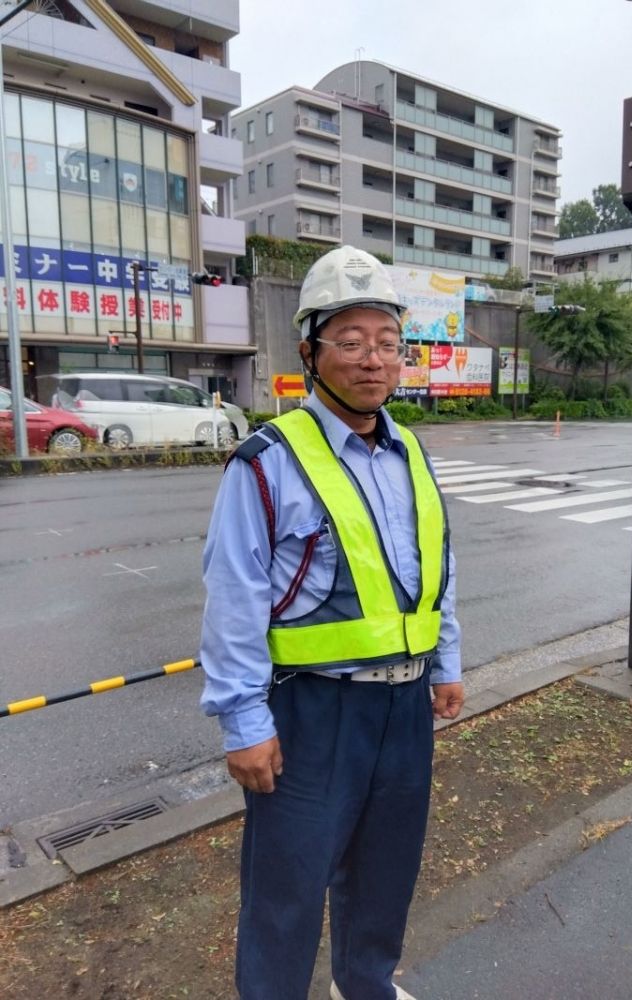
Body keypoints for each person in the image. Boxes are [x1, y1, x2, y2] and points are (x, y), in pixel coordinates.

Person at [200, 245, 463, 1000]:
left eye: (386, 342)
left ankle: (366, 982)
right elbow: (233, 595)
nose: (372, 360)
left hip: (403, 710)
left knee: (385, 872)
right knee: (289, 886)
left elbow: (437, 568)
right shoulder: (270, 459)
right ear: (311, 352)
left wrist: (444, 664)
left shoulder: (411, 450)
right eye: (349, 342)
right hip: (312, 713)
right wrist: (243, 720)